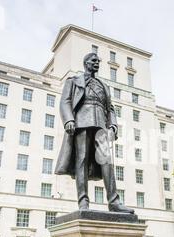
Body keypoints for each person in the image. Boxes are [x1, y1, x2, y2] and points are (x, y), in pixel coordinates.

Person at [55, 52, 134, 214]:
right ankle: (83, 202)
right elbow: (65, 101)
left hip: (101, 125)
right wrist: (69, 119)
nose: (97, 63)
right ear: (86, 63)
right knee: (81, 160)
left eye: (98, 61)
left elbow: (110, 108)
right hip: (81, 123)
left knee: (107, 162)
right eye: (94, 60)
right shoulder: (73, 81)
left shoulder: (104, 85)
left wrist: (113, 125)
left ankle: (114, 202)